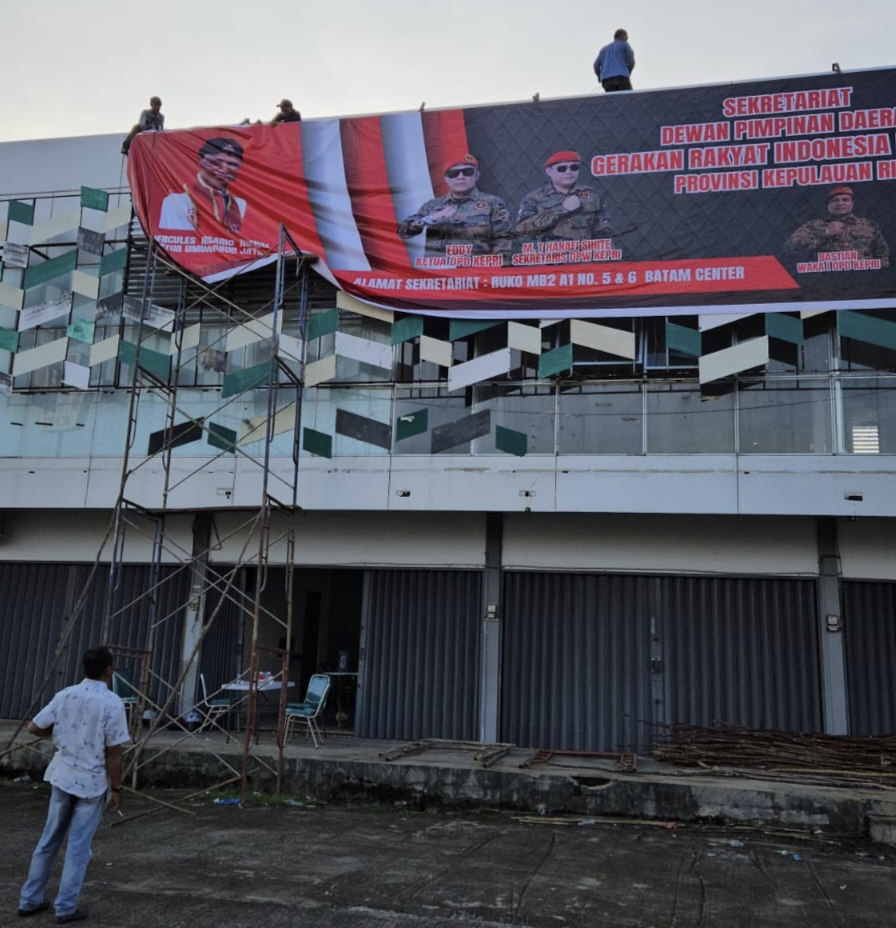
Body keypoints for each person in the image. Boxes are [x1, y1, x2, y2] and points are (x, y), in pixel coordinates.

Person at [18, 646, 129, 924]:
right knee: (78, 848)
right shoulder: (112, 702)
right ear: (109, 670)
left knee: (48, 841)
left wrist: (58, 733)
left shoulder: (65, 695)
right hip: (91, 783)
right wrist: (117, 788)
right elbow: (114, 753)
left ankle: (30, 900)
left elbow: (34, 727)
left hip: (63, 776)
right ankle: (66, 907)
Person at [398, 154, 511, 256]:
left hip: (475, 269)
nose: (460, 177)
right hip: (437, 269)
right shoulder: (431, 206)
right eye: (454, 173)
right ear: (446, 179)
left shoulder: (492, 203)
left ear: (476, 176)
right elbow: (403, 232)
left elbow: (504, 240)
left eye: (467, 172)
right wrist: (430, 219)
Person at [514, 150, 612, 243]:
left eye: (574, 167)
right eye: (562, 169)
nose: (569, 172)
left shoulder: (592, 195)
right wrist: (562, 209)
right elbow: (522, 230)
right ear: (549, 171)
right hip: (548, 253)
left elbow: (603, 229)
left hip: (583, 253)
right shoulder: (535, 198)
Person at [159, 138, 247, 235]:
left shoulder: (240, 204)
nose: (224, 169)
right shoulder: (176, 199)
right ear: (200, 160)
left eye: (232, 164)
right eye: (215, 162)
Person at [784, 186, 890, 266]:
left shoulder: (869, 225)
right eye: (835, 200)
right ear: (828, 205)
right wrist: (825, 233)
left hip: (862, 279)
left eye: (845, 200)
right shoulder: (812, 225)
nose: (840, 203)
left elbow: (883, 255)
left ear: (852, 203)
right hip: (825, 279)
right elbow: (790, 248)